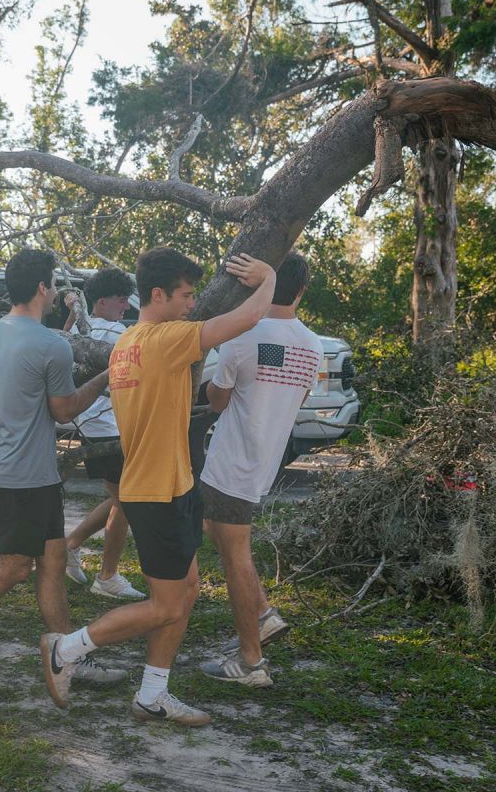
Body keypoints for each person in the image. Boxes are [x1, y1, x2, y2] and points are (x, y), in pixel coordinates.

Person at [35, 246, 276, 724]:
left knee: (184, 592)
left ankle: (152, 694)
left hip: (171, 485)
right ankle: (67, 648)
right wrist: (268, 276)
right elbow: (247, 319)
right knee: (166, 604)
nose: (193, 304)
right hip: (156, 492)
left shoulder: (128, 342)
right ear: (159, 294)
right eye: (187, 295)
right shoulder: (165, 339)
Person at [0, 248, 123, 687]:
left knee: (53, 560)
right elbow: (64, 409)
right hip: (22, 476)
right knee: (15, 567)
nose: (57, 291)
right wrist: (107, 375)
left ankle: (68, 654)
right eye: (54, 283)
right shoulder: (50, 343)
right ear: (42, 287)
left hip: (24, 471)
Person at [198, 253, 321, 688]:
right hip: (264, 462)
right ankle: (264, 614)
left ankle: (251, 662)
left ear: (254, 286)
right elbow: (297, 399)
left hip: (232, 460)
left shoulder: (243, 334)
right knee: (215, 529)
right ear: (302, 290)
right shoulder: (313, 345)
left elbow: (217, 400)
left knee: (235, 557)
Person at [60, 269, 145, 601]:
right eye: (122, 300)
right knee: (127, 502)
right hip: (108, 428)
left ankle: (71, 546)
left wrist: (71, 314)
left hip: (92, 427)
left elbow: (63, 341)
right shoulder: (114, 333)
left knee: (120, 498)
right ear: (101, 301)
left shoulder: (86, 330)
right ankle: (107, 576)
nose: (126, 307)